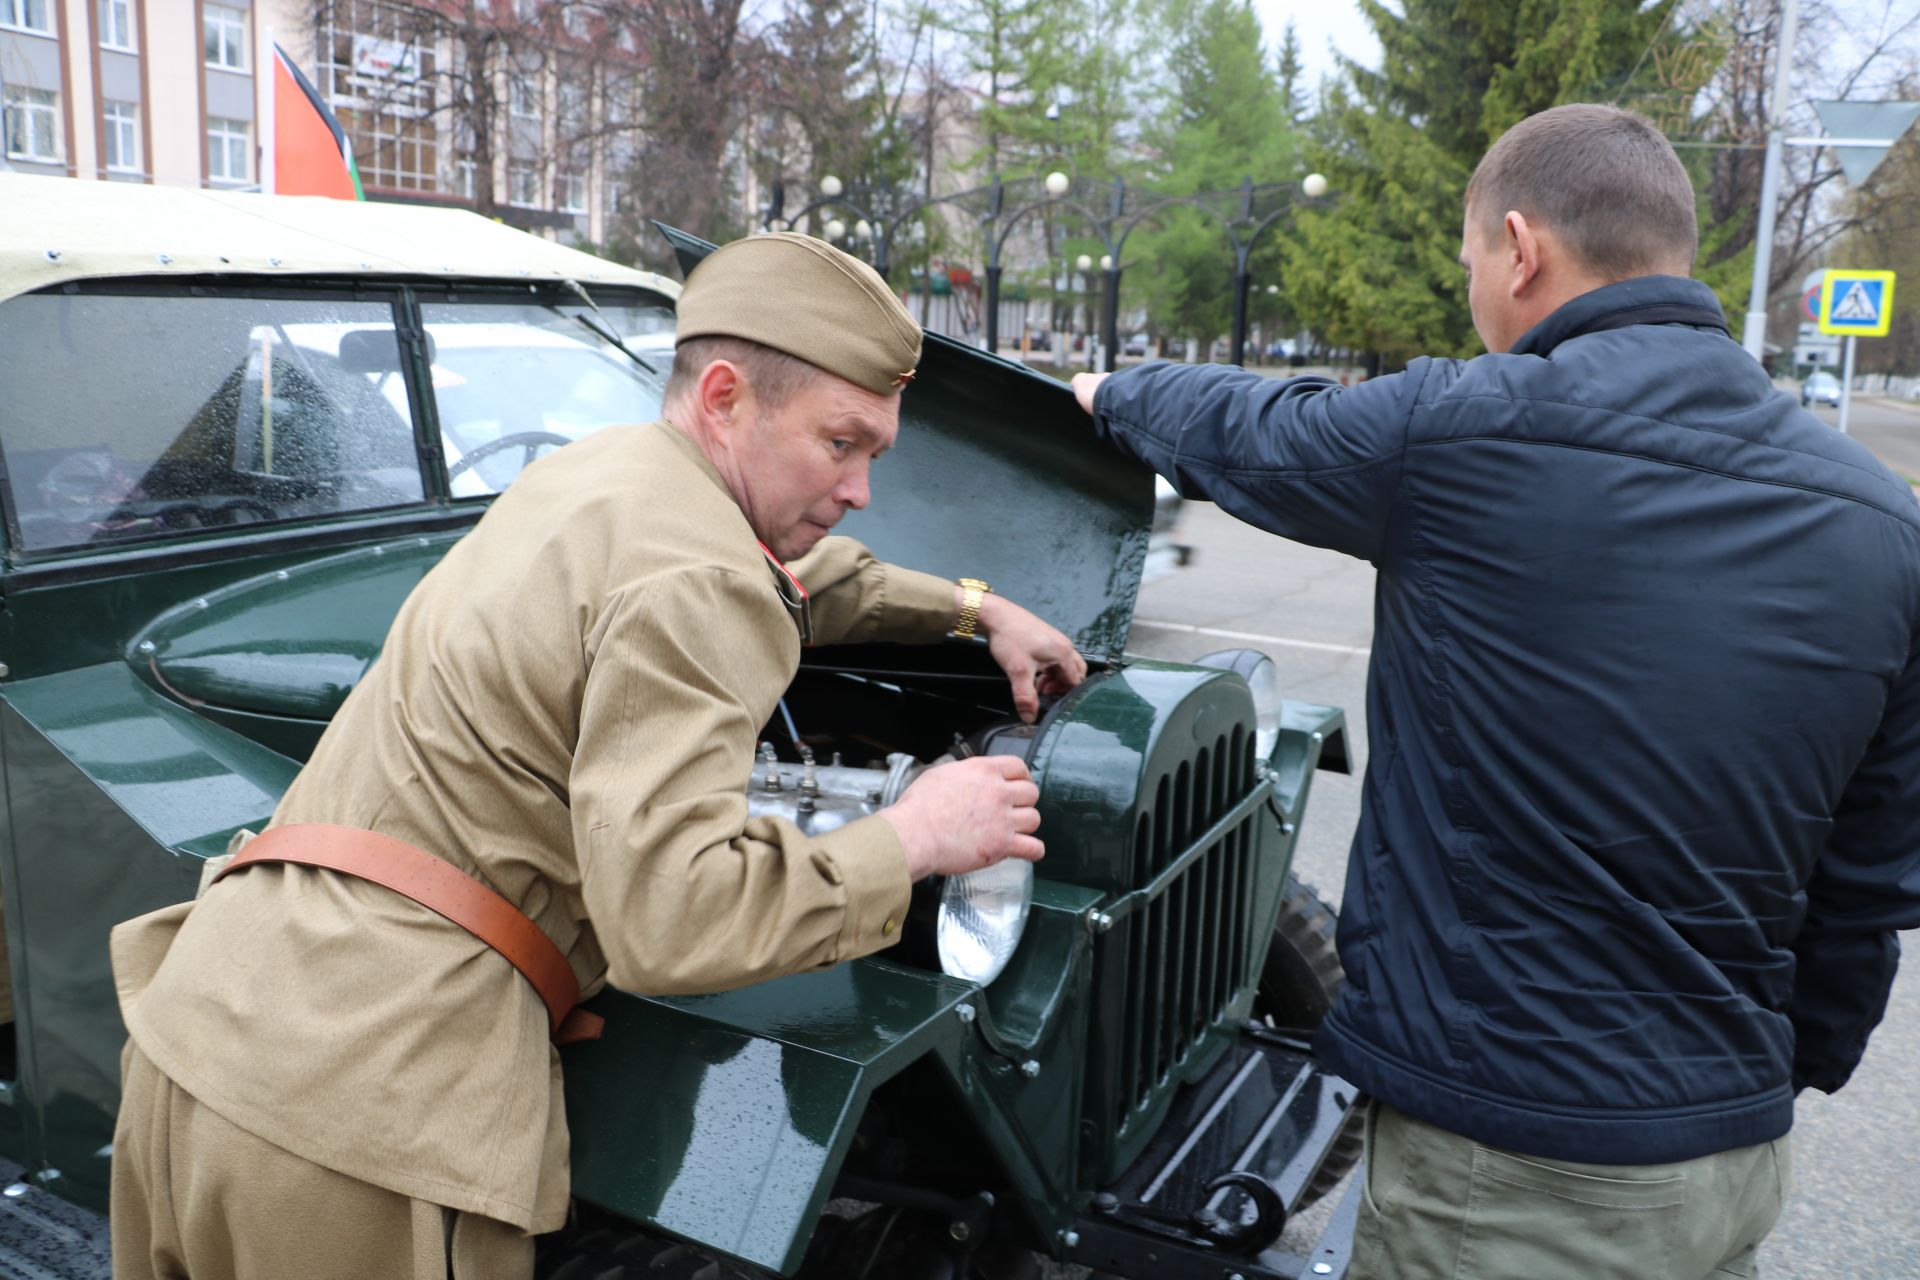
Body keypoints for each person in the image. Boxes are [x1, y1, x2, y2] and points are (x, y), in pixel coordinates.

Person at [109, 231, 1087, 1280]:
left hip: (199, 1044)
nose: (859, 489)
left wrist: (970, 608)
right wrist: (914, 833)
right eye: (841, 443)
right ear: (724, 397)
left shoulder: (597, 473)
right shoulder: (696, 577)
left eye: (874, 457)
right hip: (357, 1134)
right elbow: (678, 919)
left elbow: (781, 575)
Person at [1072, 103, 1920, 1279]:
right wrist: (1772, 1074)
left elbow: (1259, 428)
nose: (1475, 288)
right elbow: (1870, 883)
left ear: (1520, 248)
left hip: (1509, 1173)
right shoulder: (1883, 520)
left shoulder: (1464, 436)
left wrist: (1109, 394)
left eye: (1473, 259)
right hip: (1732, 1156)